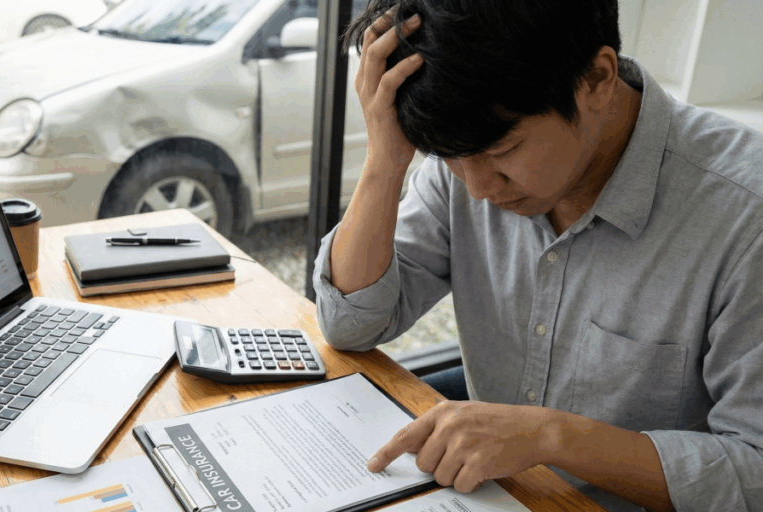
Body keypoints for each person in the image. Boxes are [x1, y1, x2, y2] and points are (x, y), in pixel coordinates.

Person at [312, 1, 763, 511]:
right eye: (451, 158)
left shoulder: (746, 219)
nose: (478, 189)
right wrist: (385, 160)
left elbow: (755, 471)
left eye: (503, 152)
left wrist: (551, 437)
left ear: (597, 79)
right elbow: (350, 322)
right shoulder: (468, 147)